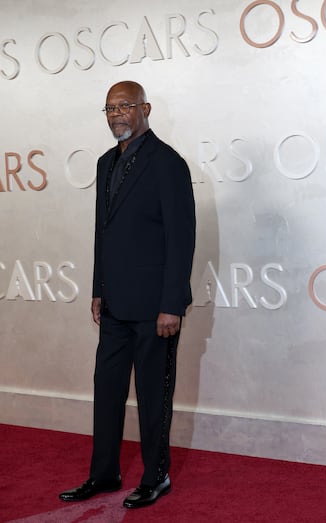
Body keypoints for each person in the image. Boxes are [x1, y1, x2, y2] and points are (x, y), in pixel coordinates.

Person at [59, 81, 196, 509]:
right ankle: (104, 474)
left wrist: (172, 304)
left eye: (124, 107)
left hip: (156, 308)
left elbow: (182, 237)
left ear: (145, 109)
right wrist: (99, 288)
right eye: (109, 108)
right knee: (107, 391)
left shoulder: (168, 162)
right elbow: (104, 232)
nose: (116, 114)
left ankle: (157, 477)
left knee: (154, 397)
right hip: (115, 305)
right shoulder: (104, 163)